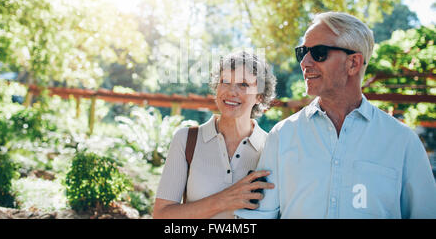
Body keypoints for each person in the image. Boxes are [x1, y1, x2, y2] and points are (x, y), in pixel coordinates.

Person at [235, 12, 436, 219]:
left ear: (353, 63)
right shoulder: (282, 135)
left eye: (319, 53)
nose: (304, 62)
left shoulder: (403, 142)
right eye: (302, 52)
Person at [153, 51, 276, 218]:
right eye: (225, 81)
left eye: (243, 85)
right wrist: (224, 200)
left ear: (259, 97)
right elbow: (161, 215)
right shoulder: (186, 140)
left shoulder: (272, 146)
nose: (231, 91)